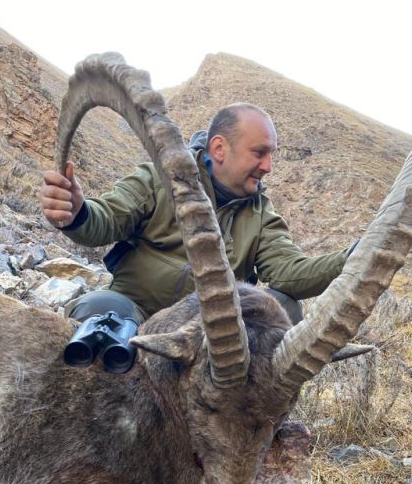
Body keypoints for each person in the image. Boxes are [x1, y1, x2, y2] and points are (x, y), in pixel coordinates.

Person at [40, 103, 355, 327]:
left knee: (283, 306)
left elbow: (289, 273)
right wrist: (77, 212)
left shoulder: (261, 214)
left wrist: (354, 257)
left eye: (271, 154)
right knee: (99, 310)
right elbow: (106, 219)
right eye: (259, 153)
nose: (268, 166)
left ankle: (251, 404)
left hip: (210, 335)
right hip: (136, 310)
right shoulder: (159, 178)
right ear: (219, 149)